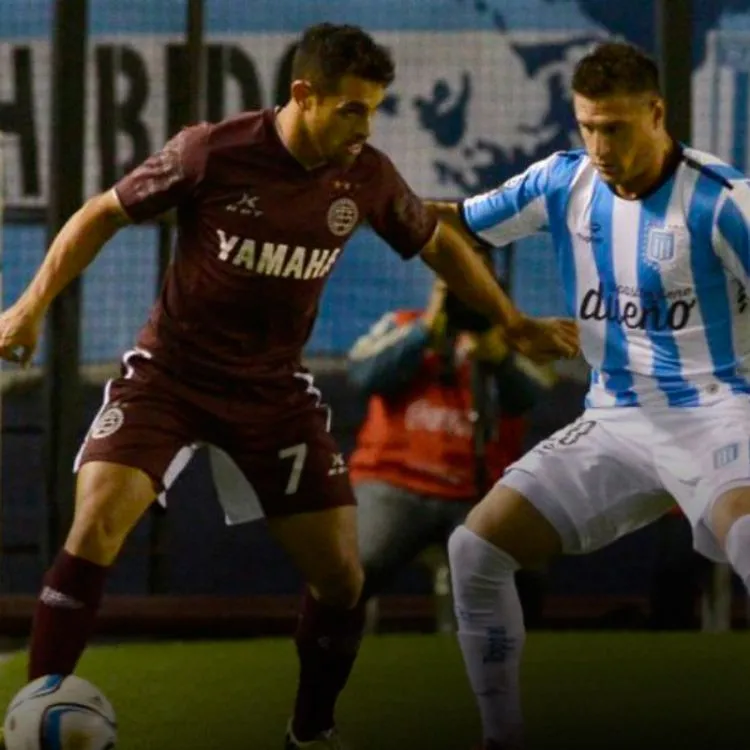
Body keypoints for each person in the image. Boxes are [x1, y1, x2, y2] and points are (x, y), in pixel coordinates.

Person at [0, 23, 578, 750]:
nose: (366, 127)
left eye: (374, 110)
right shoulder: (212, 149)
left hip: (273, 393)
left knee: (341, 579)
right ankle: (34, 717)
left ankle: (310, 732)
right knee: (97, 525)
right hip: (170, 378)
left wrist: (514, 321)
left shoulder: (365, 174)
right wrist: (27, 307)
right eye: (353, 109)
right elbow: (102, 212)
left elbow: (439, 245)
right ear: (304, 95)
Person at [428, 41, 750, 749]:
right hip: (615, 421)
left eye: (616, 127)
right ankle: (500, 736)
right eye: (587, 126)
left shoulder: (725, 202)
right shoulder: (562, 181)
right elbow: (451, 220)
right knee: (475, 552)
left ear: (657, 113)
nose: (599, 145)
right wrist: (360, 203)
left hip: (720, 411)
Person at [347, 274, 554, 627]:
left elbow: (532, 394)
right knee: (355, 564)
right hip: (393, 483)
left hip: (477, 492)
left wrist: (498, 357)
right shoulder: (403, 325)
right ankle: (328, 651)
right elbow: (363, 374)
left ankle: (506, 670)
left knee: (521, 568)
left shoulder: (515, 343)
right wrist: (425, 331)